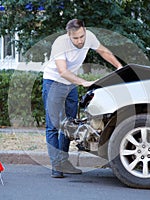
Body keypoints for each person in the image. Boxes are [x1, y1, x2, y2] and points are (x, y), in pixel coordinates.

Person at [42, 19, 122, 178]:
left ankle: (63, 161)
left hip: (70, 84)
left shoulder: (89, 37)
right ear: (68, 35)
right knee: (53, 125)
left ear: (85, 31)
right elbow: (63, 71)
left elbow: (103, 51)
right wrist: (83, 82)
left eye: (81, 37)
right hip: (53, 82)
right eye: (75, 38)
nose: (80, 41)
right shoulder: (60, 44)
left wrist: (119, 67)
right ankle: (56, 165)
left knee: (69, 124)